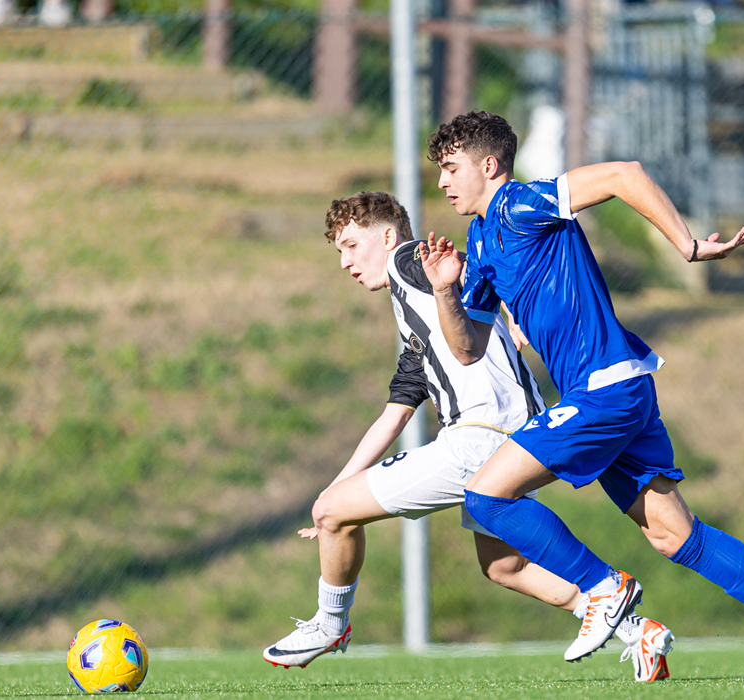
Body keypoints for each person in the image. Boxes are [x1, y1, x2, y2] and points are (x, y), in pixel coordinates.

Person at [419, 111, 744, 682]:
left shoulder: (521, 204)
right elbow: (468, 348)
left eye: (451, 169)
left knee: (485, 499)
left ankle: (604, 588)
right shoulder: (480, 240)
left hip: (607, 389)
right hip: (617, 389)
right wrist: (446, 290)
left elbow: (625, 174)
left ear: (489, 165)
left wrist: (688, 246)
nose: (443, 182)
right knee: (676, 536)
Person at [262, 191, 677, 682]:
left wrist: (515, 306)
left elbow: (465, 264)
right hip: (514, 435)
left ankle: (330, 625)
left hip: (480, 437)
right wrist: (335, 487)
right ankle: (636, 630)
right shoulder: (422, 324)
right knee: (503, 567)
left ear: (389, 236)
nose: (345, 262)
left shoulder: (408, 262)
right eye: (339, 252)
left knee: (332, 514)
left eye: (351, 245)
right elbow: (393, 415)